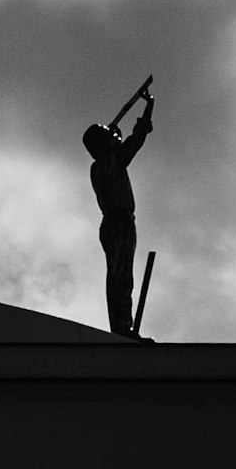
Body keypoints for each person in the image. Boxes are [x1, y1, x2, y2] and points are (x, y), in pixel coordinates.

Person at [82, 85, 155, 339]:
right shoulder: (106, 164)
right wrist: (148, 108)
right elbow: (134, 142)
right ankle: (122, 329)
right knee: (121, 278)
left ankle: (121, 326)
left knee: (118, 277)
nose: (115, 135)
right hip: (118, 223)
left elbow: (125, 144)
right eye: (109, 135)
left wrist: (114, 136)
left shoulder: (102, 164)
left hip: (115, 224)